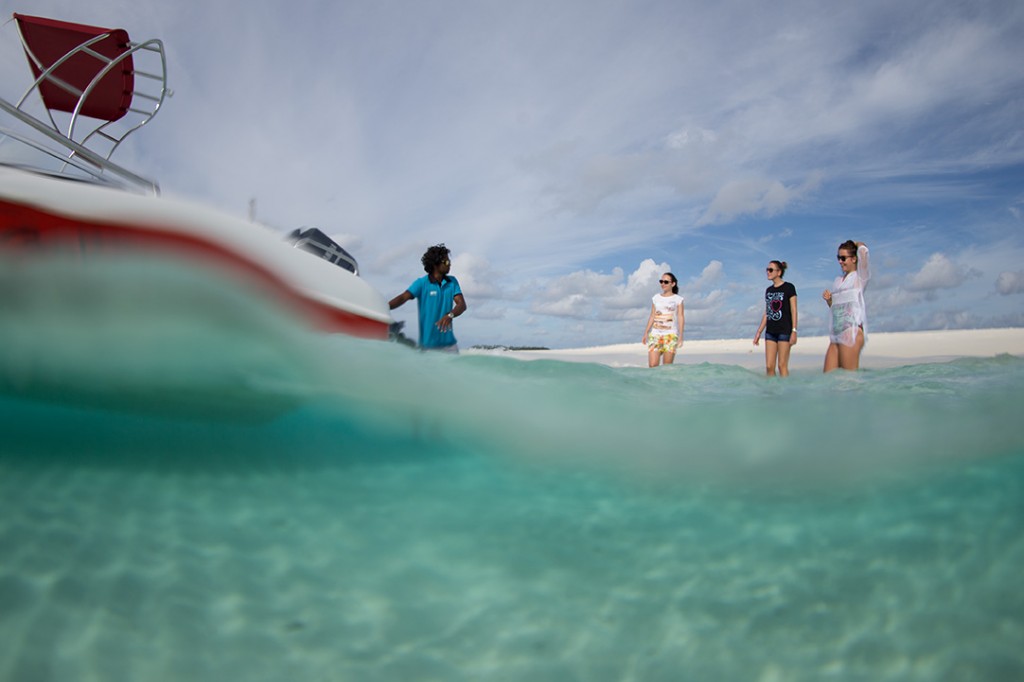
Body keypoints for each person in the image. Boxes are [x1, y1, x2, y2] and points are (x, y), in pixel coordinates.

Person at [389, 244, 467, 352]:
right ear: (436, 264)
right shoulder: (421, 283)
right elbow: (403, 297)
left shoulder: (452, 282)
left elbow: (462, 305)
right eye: (446, 262)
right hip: (428, 347)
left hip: (450, 346)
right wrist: (384, 307)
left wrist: (450, 315)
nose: (450, 265)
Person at [822, 240, 870, 372]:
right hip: (836, 333)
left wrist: (856, 243)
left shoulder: (860, 278)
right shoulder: (838, 281)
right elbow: (836, 309)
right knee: (828, 378)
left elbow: (864, 252)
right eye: (838, 257)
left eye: (843, 258)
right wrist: (829, 300)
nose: (840, 261)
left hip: (851, 330)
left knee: (849, 380)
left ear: (854, 259)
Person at [753, 260, 798, 377]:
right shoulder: (769, 291)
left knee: (782, 365)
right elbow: (767, 312)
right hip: (770, 332)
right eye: (767, 269)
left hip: (785, 331)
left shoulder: (789, 287)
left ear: (779, 272)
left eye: (771, 270)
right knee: (769, 367)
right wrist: (759, 332)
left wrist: (794, 331)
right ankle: (772, 392)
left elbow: (794, 310)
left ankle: (785, 393)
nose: (768, 272)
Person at [642, 272, 684, 367]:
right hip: (655, 334)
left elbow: (680, 316)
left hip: (670, 335)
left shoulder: (678, 299)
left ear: (673, 284)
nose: (663, 284)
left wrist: (681, 335)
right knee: (652, 366)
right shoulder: (656, 298)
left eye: (666, 282)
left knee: (666, 367)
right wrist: (646, 332)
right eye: (661, 281)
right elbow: (652, 315)